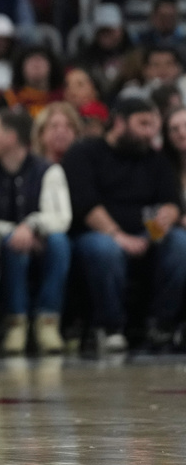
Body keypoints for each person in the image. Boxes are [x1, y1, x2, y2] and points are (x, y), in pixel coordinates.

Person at [62, 97, 186, 353]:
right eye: (143, 124)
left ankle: (161, 324)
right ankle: (110, 328)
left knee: (180, 244)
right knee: (105, 249)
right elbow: (86, 205)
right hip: (98, 232)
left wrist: (167, 215)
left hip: (147, 233)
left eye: (153, 126)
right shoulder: (84, 153)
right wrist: (118, 235)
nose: (150, 133)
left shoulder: (156, 159)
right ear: (119, 123)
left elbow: (172, 202)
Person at [0, 110, 72, 355]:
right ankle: (16, 322)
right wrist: (16, 232)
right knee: (13, 243)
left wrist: (31, 226)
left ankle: (48, 321)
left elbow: (61, 218)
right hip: (6, 242)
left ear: (10, 137)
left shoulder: (48, 170)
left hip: (42, 239)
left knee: (59, 242)